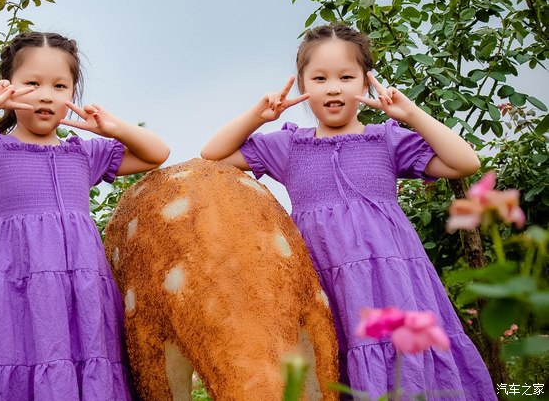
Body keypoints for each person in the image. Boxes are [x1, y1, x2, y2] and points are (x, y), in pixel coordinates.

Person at [201, 24, 496, 400]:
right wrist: (259, 117)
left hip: (392, 275)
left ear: (366, 83)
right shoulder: (289, 146)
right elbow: (213, 154)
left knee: (404, 360)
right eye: (320, 78)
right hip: (324, 278)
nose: (334, 87)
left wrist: (413, 115)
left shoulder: (386, 140)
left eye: (346, 76)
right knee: (333, 361)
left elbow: (465, 162)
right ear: (303, 85)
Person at [0, 32, 169, 400]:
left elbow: (157, 153)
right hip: (22, 296)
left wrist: (112, 127)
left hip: (85, 295)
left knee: (93, 368)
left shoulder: (84, 155)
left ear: (73, 93)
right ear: (8, 87)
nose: (46, 95)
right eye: (32, 83)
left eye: (60, 86)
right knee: (29, 366)